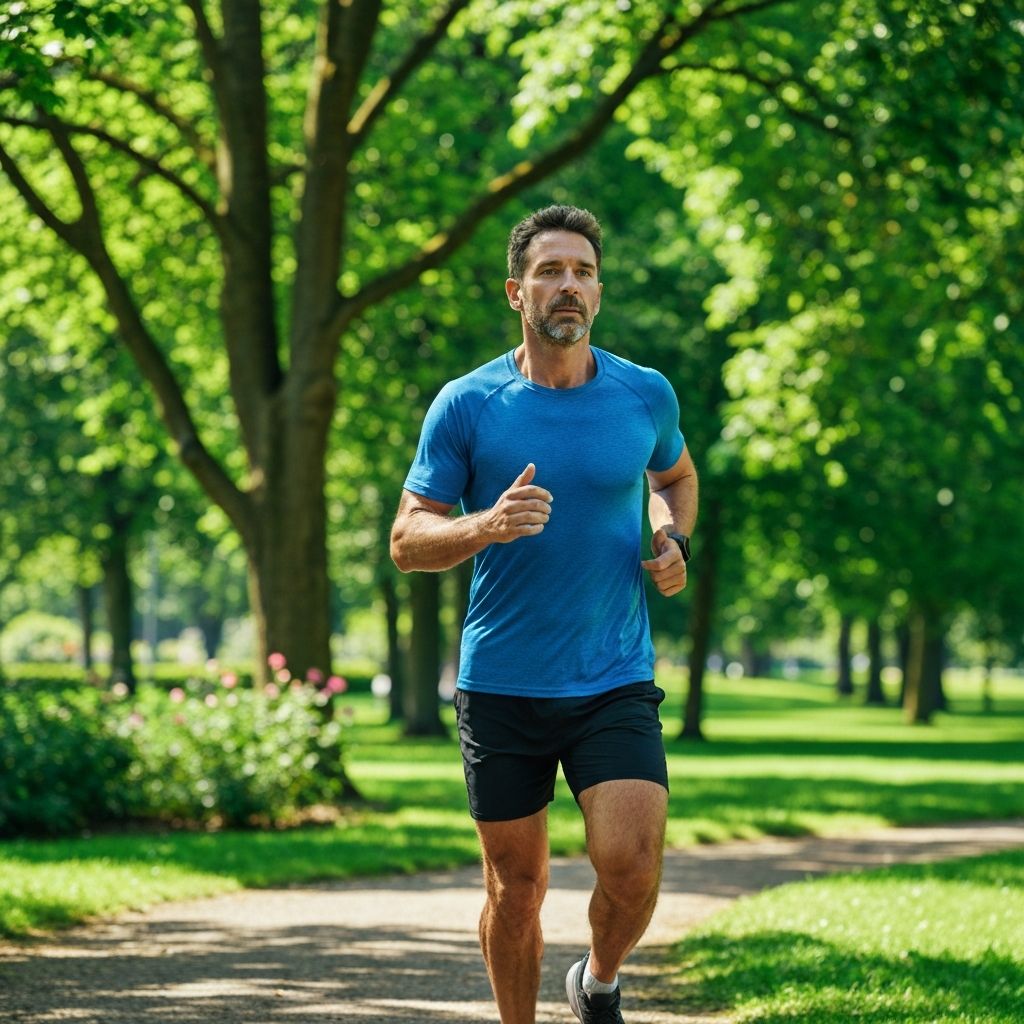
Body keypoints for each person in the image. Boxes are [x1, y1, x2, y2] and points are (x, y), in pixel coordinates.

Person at [390, 204, 698, 1024]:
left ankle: (597, 979)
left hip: (613, 675)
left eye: (584, 272)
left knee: (631, 864)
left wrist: (674, 541)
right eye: (552, 271)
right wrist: (485, 525)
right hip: (503, 684)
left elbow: (675, 479)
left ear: (599, 292)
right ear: (516, 291)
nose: (570, 286)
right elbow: (406, 539)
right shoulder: (468, 403)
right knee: (516, 889)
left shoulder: (645, 394)